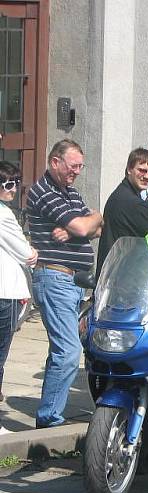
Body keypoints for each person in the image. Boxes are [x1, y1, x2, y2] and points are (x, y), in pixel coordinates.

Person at [27, 140, 103, 428]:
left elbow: (98, 226)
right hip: (55, 277)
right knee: (68, 351)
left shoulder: (69, 194)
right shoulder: (44, 192)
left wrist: (86, 222)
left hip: (74, 282)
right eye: (73, 166)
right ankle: (49, 419)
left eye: (81, 167)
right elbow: (87, 227)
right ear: (54, 162)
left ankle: (50, 412)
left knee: (63, 349)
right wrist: (85, 224)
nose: (77, 172)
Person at [0, 162, 37, 432]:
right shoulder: (3, 216)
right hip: (6, 293)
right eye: (8, 184)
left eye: (16, 183)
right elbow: (27, 254)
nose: (13, 189)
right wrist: (31, 250)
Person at [96, 148, 148, 276]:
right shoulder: (130, 201)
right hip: (119, 281)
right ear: (129, 169)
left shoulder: (124, 194)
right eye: (142, 170)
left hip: (117, 277)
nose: (147, 176)